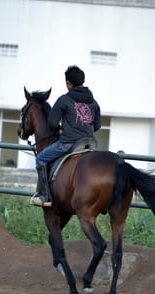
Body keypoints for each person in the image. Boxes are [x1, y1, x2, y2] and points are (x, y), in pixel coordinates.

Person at [30, 65, 101, 207]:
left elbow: (52, 123)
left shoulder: (64, 100)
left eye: (66, 82)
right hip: (90, 144)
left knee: (41, 159)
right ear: (82, 81)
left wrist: (62, 129)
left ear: (69, 83)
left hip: (69, 143)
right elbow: (97, 126)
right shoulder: (93, 102)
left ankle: (45, 196)